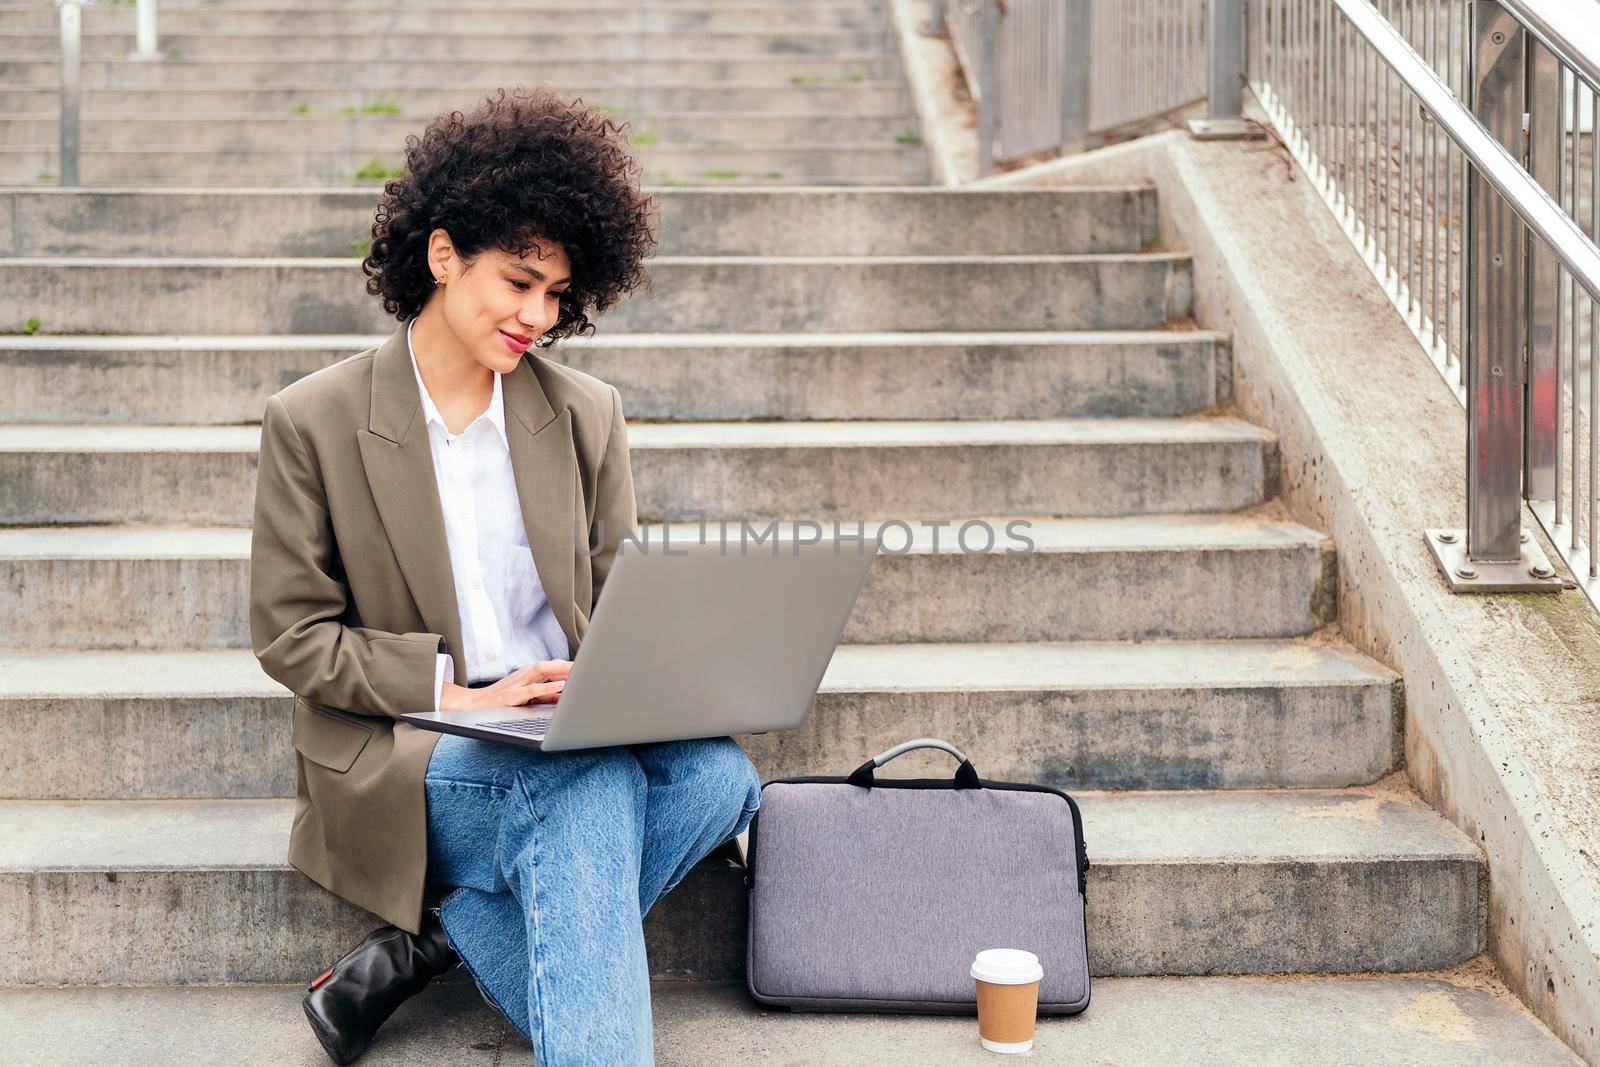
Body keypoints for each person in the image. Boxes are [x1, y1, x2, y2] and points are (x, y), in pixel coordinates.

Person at [248, 85, 763, 1065]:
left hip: (559, 722)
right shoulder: (314, 420)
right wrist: (463, 694)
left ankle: (445, 932)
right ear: (442, 253)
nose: (539, 314)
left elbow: (618, 600)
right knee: (585, 782)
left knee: (718, 776)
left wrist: (654, 669)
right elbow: (291, 634)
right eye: (519, 281)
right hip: (414, 748)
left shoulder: (584, 414)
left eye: (558, 294)